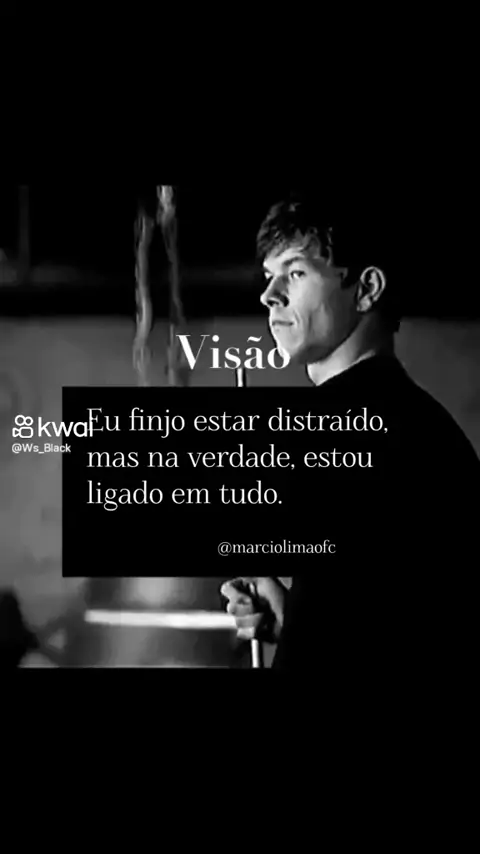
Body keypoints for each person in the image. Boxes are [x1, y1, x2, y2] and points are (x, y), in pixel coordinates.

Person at [221, 194, 480, 677]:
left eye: (296, 273)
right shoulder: (426, 427)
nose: (269, 294)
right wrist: (296, 620)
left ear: (366, 289)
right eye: (269, 275)